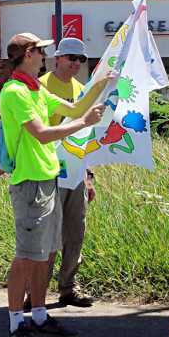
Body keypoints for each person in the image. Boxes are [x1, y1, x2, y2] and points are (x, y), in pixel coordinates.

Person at [0, 32, 107, 337]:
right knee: (26, 256)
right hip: (30, 183)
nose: (45, 56)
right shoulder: (15, 92)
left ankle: (41, 316)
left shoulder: (35, 88)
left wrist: (103, 81)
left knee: (44, 254)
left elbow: (75, 108)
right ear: (28, 54)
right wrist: (83, 121)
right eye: (41, 51)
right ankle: (16, 325)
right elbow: (43, 134)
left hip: (48, 178)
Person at [42, 38, 100, 307]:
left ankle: (67, 287)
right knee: (47, 234)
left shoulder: (81, 90)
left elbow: (85, 135)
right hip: (48, 172)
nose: (77, 63)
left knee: (75, 232)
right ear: (57, 58)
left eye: (81, 59)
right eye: (71, 58)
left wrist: (88, 177)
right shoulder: (41, 86)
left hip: (75, 173)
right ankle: (36, 291)